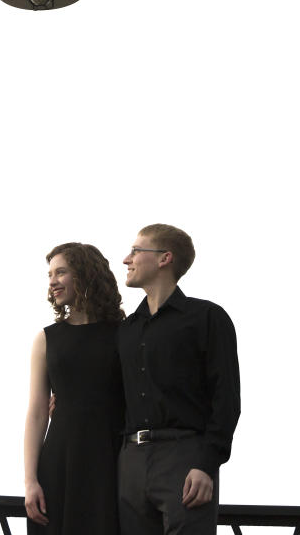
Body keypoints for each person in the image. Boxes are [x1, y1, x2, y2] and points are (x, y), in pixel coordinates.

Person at [117, 224, 241, 535]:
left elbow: (226, 398)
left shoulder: (207, 318)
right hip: (130, 460)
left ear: (164, 258)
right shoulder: (125, 330)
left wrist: (206, 464)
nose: (126, 259)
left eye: (135, 251)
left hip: (185, 456)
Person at [23, 242, 125, 535]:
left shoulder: (125, 334)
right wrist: (30, 481)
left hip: (111, 461)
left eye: (61, 272)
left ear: (85, 274)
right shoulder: (46, 339)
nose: (53, 281)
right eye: (50, 274)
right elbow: (37, 413)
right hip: (58, 461)